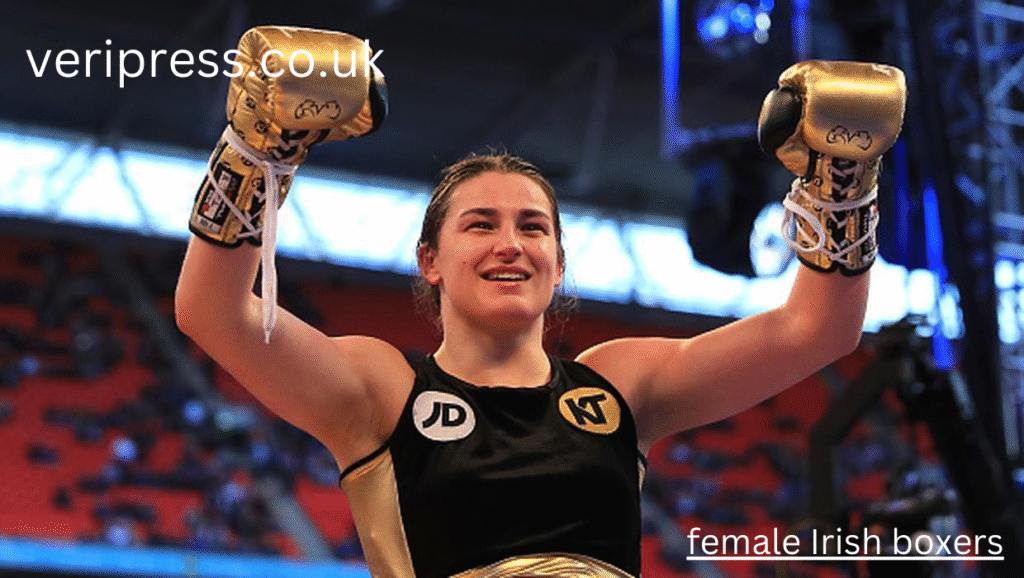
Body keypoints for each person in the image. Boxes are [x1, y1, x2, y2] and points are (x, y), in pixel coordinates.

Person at [175, 26, 906, 578]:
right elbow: (215, 312)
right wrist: (255, 150)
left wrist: (842, 185)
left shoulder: (621, 385)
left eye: (532, 227)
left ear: (558, 265)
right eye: (480, 225)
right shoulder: (380, 389)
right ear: (429, 261)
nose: (510, 244)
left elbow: (820, 327)